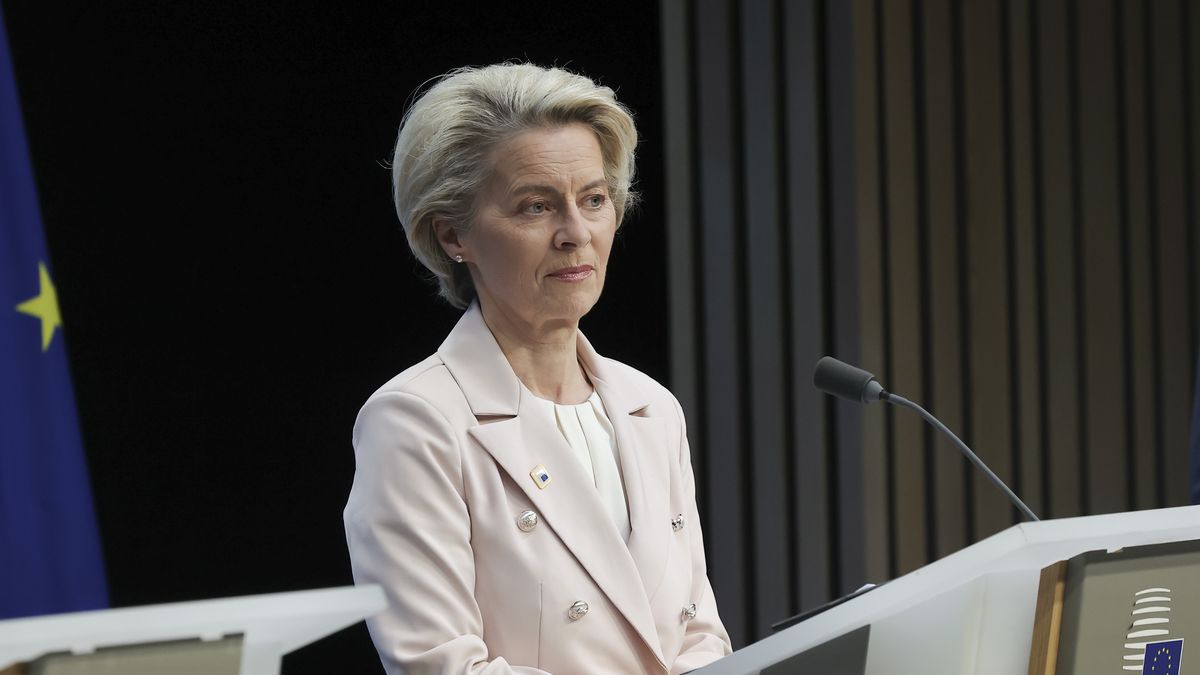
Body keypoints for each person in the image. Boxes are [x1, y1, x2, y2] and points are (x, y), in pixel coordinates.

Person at [344, 62, 731, 675]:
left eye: (595, 199)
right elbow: (441, 667)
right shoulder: (416, 420)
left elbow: (698, 636)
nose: (575, 233)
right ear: (452, 235)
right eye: (535, 207)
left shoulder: (651, 405)